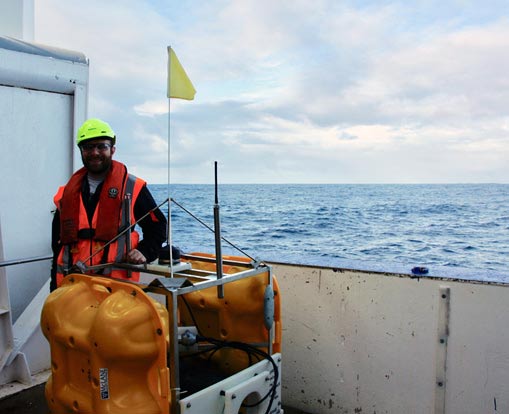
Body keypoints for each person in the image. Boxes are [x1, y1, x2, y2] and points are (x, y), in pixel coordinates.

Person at [50, 118, 167, 291]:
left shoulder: (132, 188)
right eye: (88, 147)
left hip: (116, 289)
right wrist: (54, 286)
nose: (95, 152)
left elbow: (157, 227)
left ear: (112, 150)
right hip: (72, 286)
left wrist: (145, 251)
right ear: (81, 151)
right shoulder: (67, 193)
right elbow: (57, 244)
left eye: (101, 147)